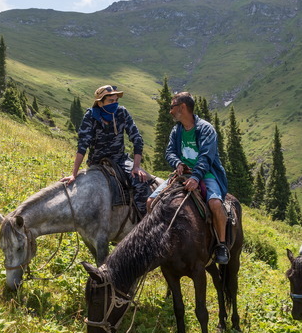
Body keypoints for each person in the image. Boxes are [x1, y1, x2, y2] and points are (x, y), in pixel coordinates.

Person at [147, 92, 230, 264]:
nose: (170, 111)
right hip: (182, 175)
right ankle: (155, 239)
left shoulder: (206, 129)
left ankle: (221, 244)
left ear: (183, 107)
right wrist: (177, 163)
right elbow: (169, 152)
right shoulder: (176, 130)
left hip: (206, 174)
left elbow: (206, 157)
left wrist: (196, 177)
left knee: (215, 204)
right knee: (150, 201)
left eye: (172, 107)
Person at [60, 85, 151, 217]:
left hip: (120, 159)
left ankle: (143, 221)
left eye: (116, 100)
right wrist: (74, 174)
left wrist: (136, 167)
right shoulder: (90, 117)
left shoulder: (122, 113)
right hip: (97, 162)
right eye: (110, 101)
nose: (114, 104)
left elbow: (137, 138)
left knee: (141, 183)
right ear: (100, 102)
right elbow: (82, 145)